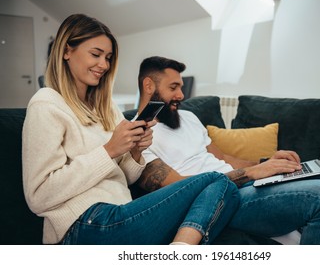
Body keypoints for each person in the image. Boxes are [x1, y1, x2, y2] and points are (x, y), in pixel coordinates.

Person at [22, 15, 239, 245]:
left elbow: (126, 176)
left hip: (123, 212)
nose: (104, 65)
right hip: (83, 224)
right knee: (216, 181)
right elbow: (39, 195)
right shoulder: (46, 103)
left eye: (107, 58)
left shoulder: (106, 108)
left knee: (221, 184)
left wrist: (135, 150)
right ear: (67, 51)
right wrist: (109, 150)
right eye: (95, 55)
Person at [134, 56, 320, 245]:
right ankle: (305, 216)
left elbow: (223, 158)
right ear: (149, 85)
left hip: (244, 182)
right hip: (223, 199)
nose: (181, 95)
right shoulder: (137, 138)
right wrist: (253, 174)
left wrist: (267, 162)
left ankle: (299, 219)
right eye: (173, 87)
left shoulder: (188, 117)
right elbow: (181, 190)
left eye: (181, 87)